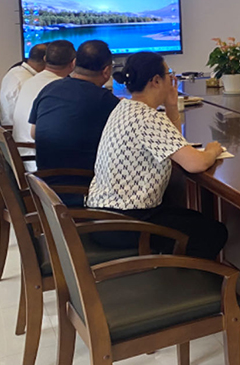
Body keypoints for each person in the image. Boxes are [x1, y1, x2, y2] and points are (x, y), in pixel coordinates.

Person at [86, 51, 228, 260]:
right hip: (127, 222)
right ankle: (177, 277)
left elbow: (173, 145)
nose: (172, 79)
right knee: (211, 232)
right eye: (169, 74)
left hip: (104, 216)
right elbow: (195, 164)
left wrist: (171, 106)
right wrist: (212, 151)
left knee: (191, 219)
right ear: (156, 80)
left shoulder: (125, 106)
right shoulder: (148, 118)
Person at [28, 40, 119, 204]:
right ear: (106, 71)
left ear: (75, 63)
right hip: (81, 190)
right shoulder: (106, 100)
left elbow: (34, 133)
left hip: (44, 187)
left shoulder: (50, 89)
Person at [12, 40, 76, 170]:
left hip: (21, 155)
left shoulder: (29, 81)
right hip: (39, 163)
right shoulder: (61, 88)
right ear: (73, 63)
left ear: (45, 59)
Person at [0, 43, 46, 126]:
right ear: (45, 60)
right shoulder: (29, 83)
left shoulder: (14, 70)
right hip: (15, 129)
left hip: (6, 125)